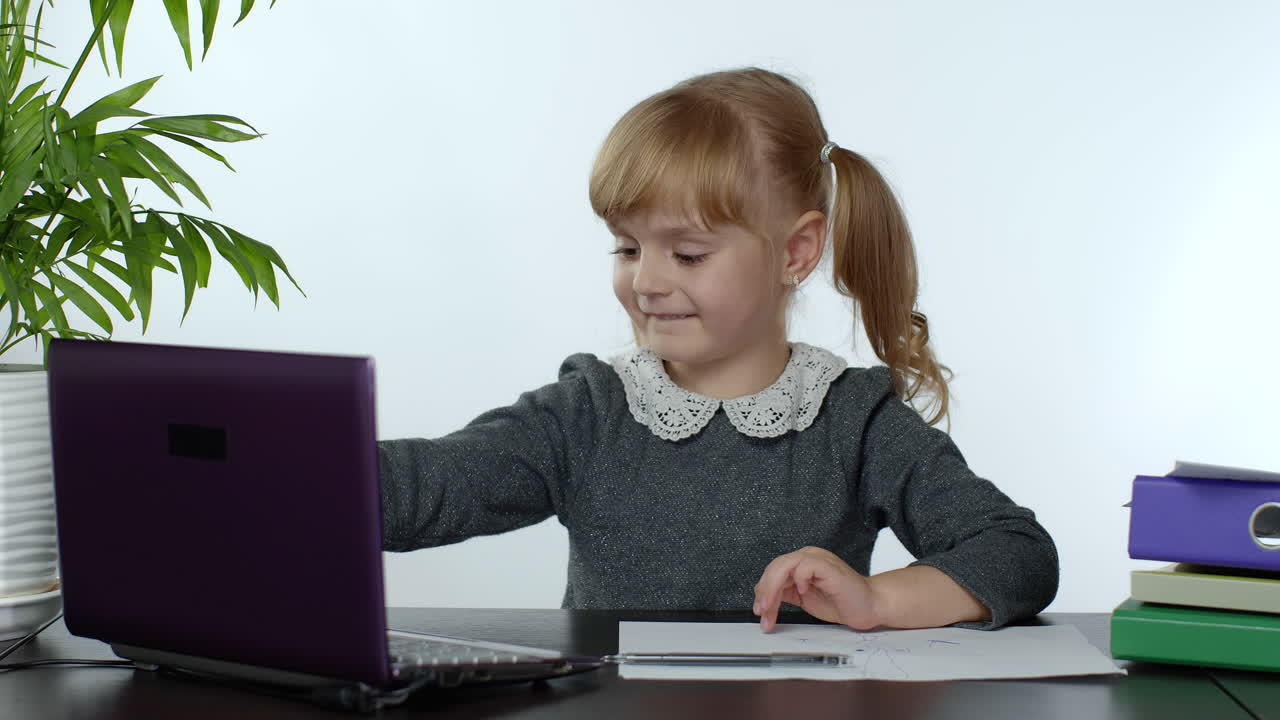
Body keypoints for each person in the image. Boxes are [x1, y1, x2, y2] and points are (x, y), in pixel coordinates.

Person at [378, 67, 1058, 632]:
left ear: (795, 250)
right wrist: (288, 458)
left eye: (688, 253)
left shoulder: (855, 421)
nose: (645, 281)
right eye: (627, 247)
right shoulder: (588, 412)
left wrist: (878, 600)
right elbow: (426, 487)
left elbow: (1016, 552)